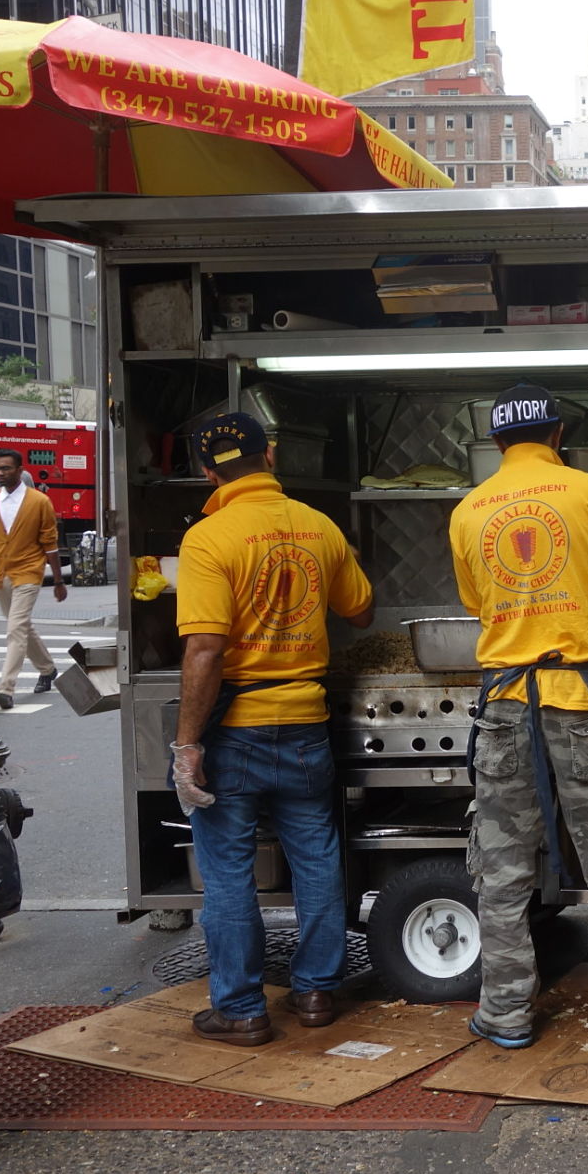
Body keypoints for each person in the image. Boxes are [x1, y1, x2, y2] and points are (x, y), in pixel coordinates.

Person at [449, 383, 588, 1050]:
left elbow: (478, 604)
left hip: (505, 707)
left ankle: (507, 1010)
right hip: (578, 702)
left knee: (503, 865)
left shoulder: (467, 512)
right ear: (556, 437)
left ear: (496, 445)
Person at [169, 413, 374, 1046]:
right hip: (307, 722)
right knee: (316, 860)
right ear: (272, 454)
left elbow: (204, 650)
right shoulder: (319, 527)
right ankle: (315, 990)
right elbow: (362, 611)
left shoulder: (207, 539)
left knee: (229, 869)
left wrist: (187, 746)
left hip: (236, 728)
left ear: (208, 472)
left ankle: (240, 1006)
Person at [0, 448, 64, 709]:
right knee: (21, 627)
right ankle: (47, 668)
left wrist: (58, 580)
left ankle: (5, 688)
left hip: (29, 572)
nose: (0, 473)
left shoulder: (39, 501)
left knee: (15, 628)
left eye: (6, 468)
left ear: (20, 471)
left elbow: (50, 544)